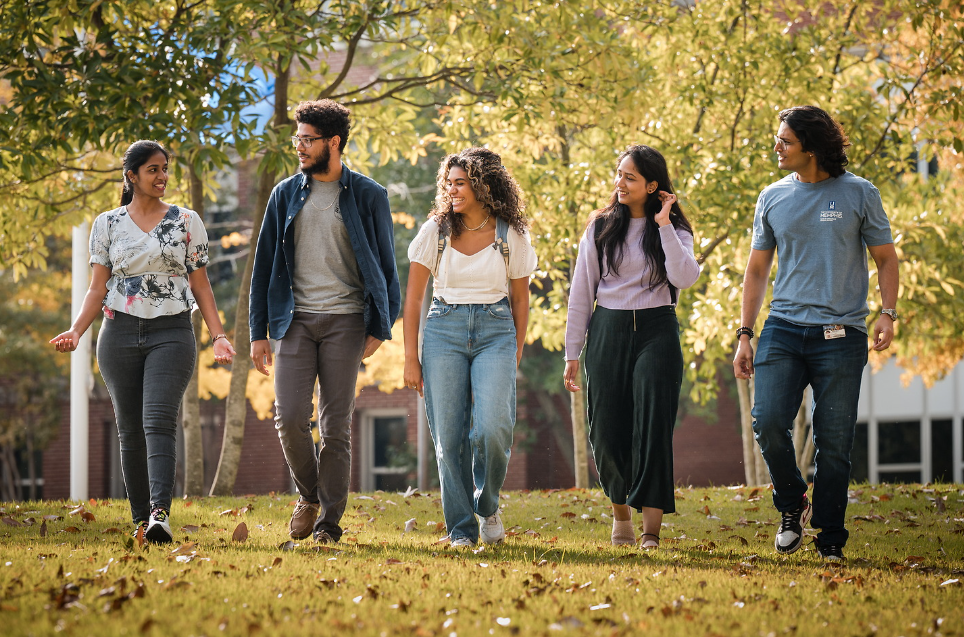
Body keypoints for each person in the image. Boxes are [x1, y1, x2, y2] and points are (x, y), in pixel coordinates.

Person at [733, 105, 899, 562]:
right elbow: (757, 269)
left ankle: (830, 537)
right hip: (783, 329)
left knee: (835, 442)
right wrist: (745, 333)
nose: (777, 147)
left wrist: (887, 313)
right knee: (768, 421)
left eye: (785, 141)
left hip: (842, 335)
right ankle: (792, 505)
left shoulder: (859, 193)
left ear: (811, 147)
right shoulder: (772, 197)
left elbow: (886, 258)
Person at [51, 140, 236, 544]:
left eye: (165, 168)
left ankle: (159, 514)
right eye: (154, 169)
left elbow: (201, 285)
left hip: (171, 333)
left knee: (158, 420)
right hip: (118, 335)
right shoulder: (107, 224)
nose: (162, 176)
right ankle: (141, 520)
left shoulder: (186, 221)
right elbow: (97, 288)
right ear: (131, 176)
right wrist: (77, 331)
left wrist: (219, 336)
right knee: (130, 430)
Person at [249, 99, 400, 544]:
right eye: (297, 139)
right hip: (294, 320)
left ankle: (329, 524)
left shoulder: (369, 195)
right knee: (290, 418)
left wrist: (381, 326)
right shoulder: (284, 194)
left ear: (333, 142)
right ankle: (310, 496)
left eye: (307, 139)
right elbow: (263, 266)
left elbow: (387, 266)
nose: (299, 147)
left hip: (346, 321)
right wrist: (258, 331)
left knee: (335, 428)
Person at [563, 144, 701, 548]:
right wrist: (572, 352)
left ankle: (650, 531)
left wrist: (663, 225)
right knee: (606, 430)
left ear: (652, 185)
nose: (619, 183)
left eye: (630, 177)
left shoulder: (675, 229)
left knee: (653, 427)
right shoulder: (600, 227)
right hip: (608, 327)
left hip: (658, 330)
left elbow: (685, 277)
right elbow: (581, 292)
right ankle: (620, 513)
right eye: (619, 174)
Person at [403, 148, 537, 548]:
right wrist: (410, 358)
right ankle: (460, 529)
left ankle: (488, 505)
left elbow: (521, 299)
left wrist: (515, 350)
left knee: (493, 428)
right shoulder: (435, 231)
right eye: (449, 183)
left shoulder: (511, 234)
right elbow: (413, 299)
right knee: (448, 438)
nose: (452, 190)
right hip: (443, 329)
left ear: (484, 186)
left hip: (496, 330)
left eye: (461, 183)